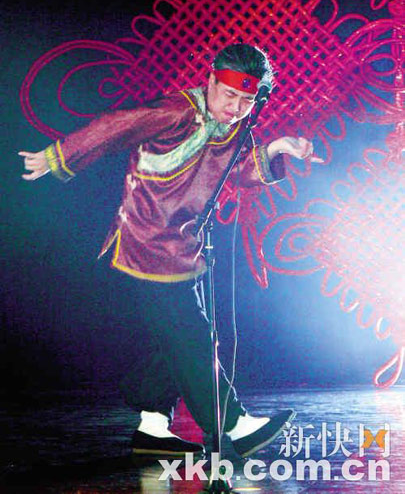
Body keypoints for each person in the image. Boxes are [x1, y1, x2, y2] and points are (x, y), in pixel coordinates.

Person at [19, 44, 318, 459]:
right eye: (229, 95)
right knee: (192, 338)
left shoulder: (235, 130)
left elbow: (237, 173)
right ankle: (233, 425)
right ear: (211, 81)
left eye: (246, 101)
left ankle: (152, 424)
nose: (234, 108)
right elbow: (114, 126)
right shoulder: (177, 111)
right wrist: (60, 156)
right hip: (142, 243)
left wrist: (276, 148)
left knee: (177, 339)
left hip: (181, 246)